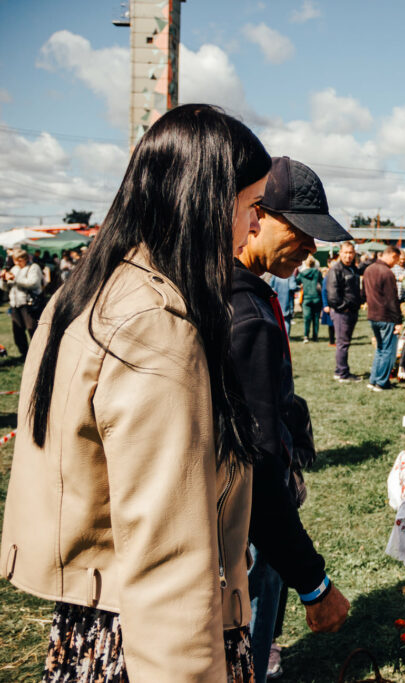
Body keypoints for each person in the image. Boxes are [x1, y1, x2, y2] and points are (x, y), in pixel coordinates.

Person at [1, 104, 272, 681]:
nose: (256, 226)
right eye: (251, 205)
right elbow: (165, 549)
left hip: (99, 615)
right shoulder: (154, 323)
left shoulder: (91, 291)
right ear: (203, 201)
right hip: (149, 637)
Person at [234, 155, 352, 682]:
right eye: (301, 233)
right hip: (247, 523)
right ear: (256, 216)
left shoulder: (243, 294)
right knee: (251, 626)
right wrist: (316, 585)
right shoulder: (245, 315)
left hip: (250, 517)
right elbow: (254, 463)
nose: (310, 249)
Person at [363, 244, 402, 391]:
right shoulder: (387, 273)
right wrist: (398, 321)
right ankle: (381, 382)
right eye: (397, 260)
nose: (396, 263)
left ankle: (373, 380)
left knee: (380, 349)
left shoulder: (369, 269)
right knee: (387, 350)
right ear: (393, 255)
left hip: (373, 315)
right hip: (386, 316)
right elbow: (393, 299)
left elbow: (363, 293)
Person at [326, 241, 363, 381]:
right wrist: (344, 307)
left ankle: (339, 370)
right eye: (345, 252)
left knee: (344, 342)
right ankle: (343, 373)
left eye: (351, 253)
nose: (348, 256)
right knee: (343, 344)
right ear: (340, 253)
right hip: (342, 313)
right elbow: (332, 296)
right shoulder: (335, 270)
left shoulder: (353, 269)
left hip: (352, 311)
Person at [1, 248, 44, 356]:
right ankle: (23, 353)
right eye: (15, 260)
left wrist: (15, 279)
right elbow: (5, 288)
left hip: (29, 303)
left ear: (25, 258)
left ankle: (38, 353)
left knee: (32, 329)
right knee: (18, 331)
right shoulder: (14, 269)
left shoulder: (33, 267)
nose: (17, 263)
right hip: (15, 304)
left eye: (19, 260)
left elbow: (33, 283)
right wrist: (4, 280)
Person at [296, 254, 323, 342]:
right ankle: (315, 336)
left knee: (307, 318)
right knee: (316, 318)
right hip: (316, 297)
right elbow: (321, 283)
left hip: (306, 298)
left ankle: (306, 336)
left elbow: (297, 281)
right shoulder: (317, 272)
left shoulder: (302, 274)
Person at [268, 271, 298, 335]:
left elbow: (270, 286)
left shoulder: (275, 274)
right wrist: (298, 287)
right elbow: (293, 287)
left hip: (277, 301)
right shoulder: (290, 275)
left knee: (277, 319)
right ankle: (286, 338)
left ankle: (278, 337)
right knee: (286, 321)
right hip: (287, 301)